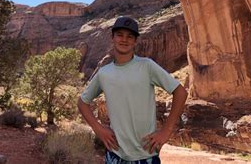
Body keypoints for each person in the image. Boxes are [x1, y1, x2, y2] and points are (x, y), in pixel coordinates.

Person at [78, 16, 188, 163]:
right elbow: (82, 102)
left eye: (130, 36)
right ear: (112, 37)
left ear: (135, 41)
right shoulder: (104, 73)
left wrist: (165, 132)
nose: (125, 40)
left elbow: (180, 92)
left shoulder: (147, 66)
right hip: (115, 155)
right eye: (120, 35)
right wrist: (98, 129)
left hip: (146, 155)